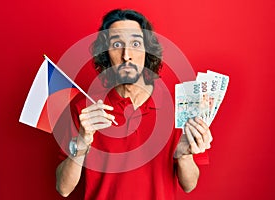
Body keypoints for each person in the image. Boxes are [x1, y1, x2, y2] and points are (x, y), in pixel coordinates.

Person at [55, 9, 212, 199]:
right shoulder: (85, 110)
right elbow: (63, 188)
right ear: (106, 53)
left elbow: (189, 185)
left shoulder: (179, 107)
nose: (126, 55)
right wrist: (81, 141)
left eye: (136, 44)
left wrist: (184, 155)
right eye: (117, 44)